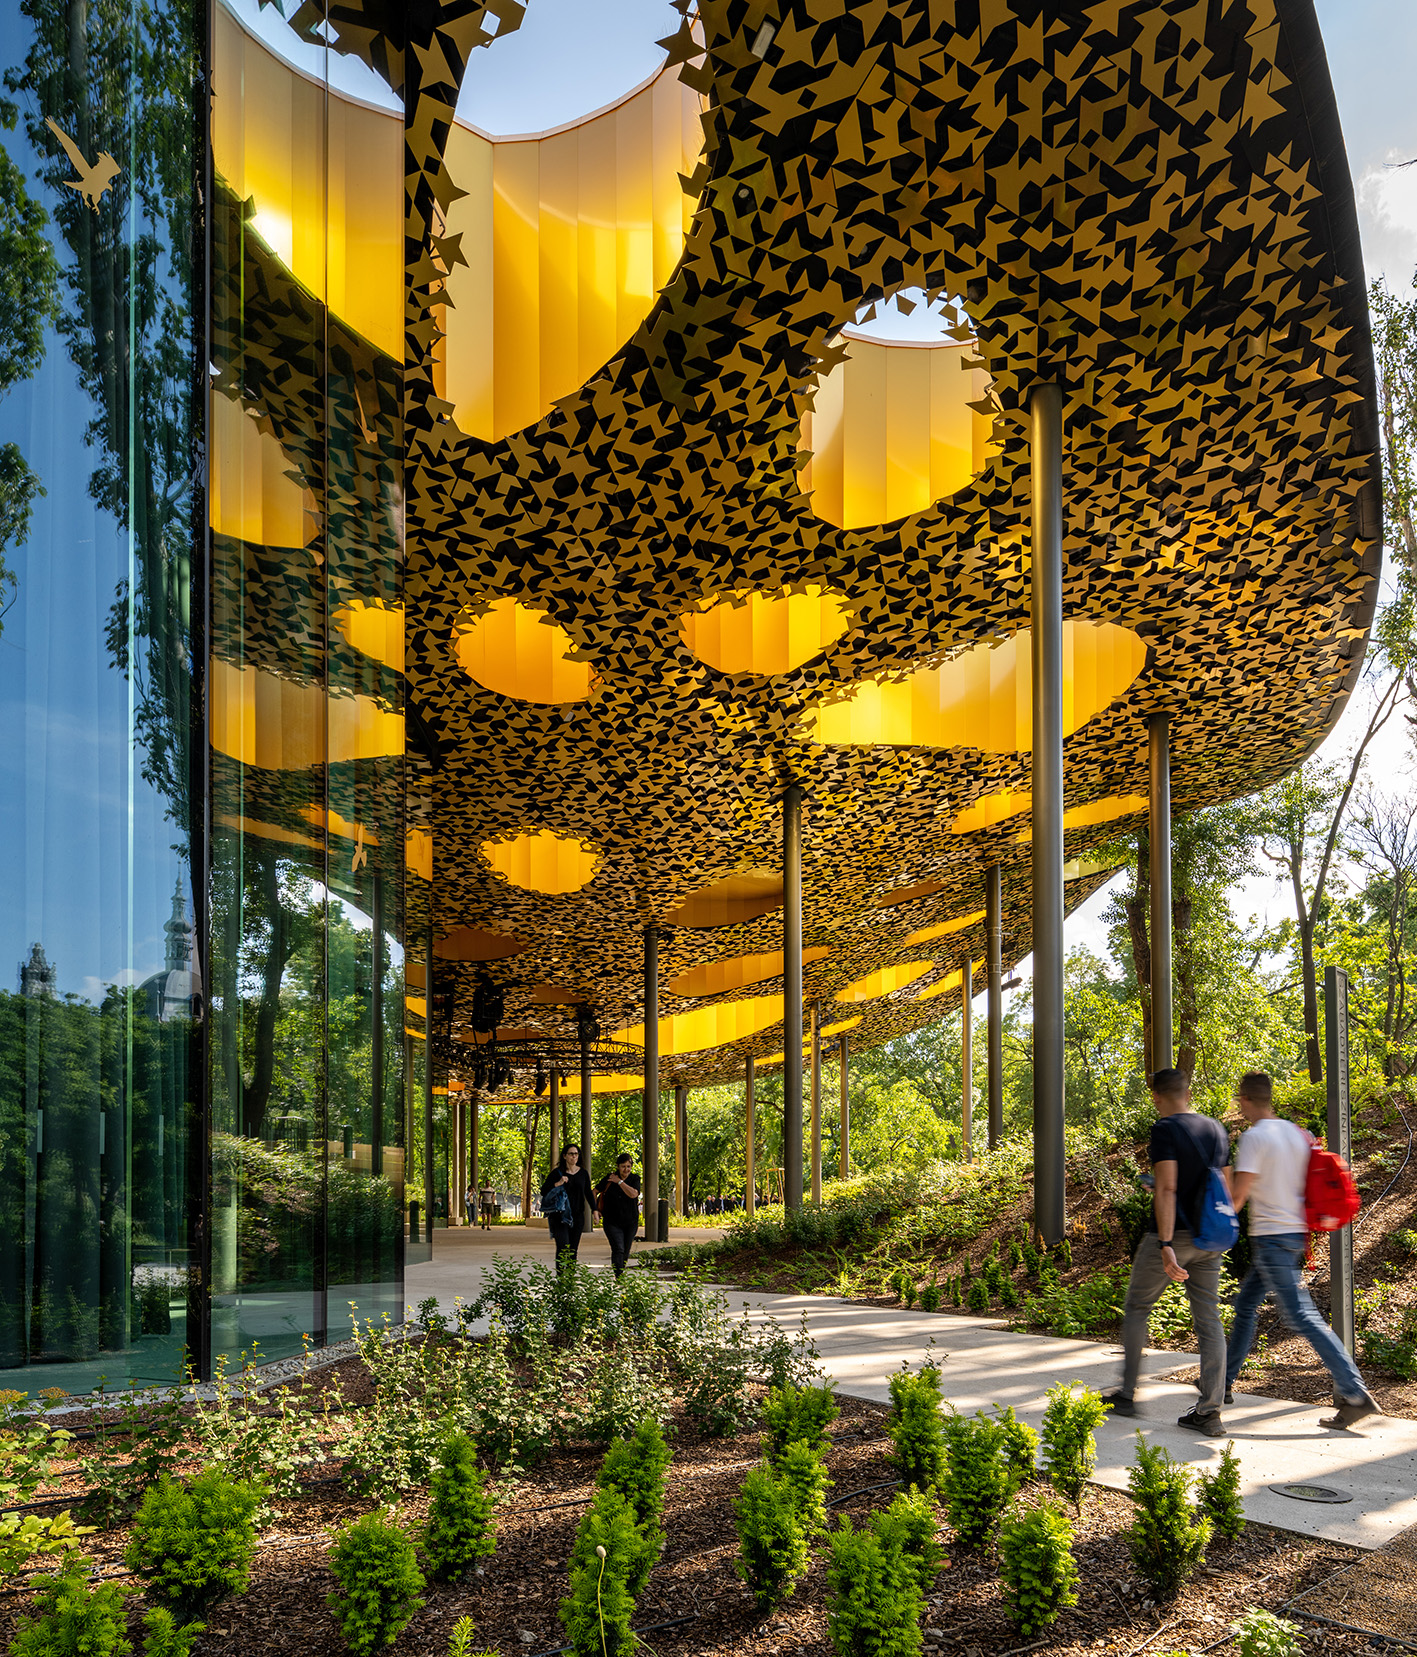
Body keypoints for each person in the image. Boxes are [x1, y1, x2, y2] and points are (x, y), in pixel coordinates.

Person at [1224, 1071, 1381, 1429]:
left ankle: (1356, 1394)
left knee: (1303, 1317)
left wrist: (1210, 1224)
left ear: (1245, 1099)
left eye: (1239, 1099)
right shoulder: (1295, 1133)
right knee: (1246, 1306)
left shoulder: (1254, 1137)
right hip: (1294, 1234)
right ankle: (1223, 1383)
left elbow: (1237, 1197)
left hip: (1271, 1238)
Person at [1103, 1067, 1231, 1435]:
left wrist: (1165, 1244)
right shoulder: (1216, 1128)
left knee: (1137, 1307)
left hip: (1175, 1236)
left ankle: (1126, 1395)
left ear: (1157, 1097)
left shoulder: (1164, 1130)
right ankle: (1210, 1411)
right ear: (1187, 1092)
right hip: (1209, 1239)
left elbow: (1168, 1189)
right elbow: (1226, 1184)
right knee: (1209, 1320)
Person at [542, 1143, 594, 1264]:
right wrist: (558, 1183)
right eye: (571, 1154)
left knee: (573, 1250)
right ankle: (561, 1280)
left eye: (576, 1154)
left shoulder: (583, 1174)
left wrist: (594, 1210)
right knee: (562, 1247)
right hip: (560, 1216)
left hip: (578, 1215)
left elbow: (588, 1193)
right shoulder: (557, 1173)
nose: (574, 1157)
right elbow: (544, 1190)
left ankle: (570, 1279)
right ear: (564, 1156)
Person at [595, 1153, 641, 1276]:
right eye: (623, 1166)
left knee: (625, 1251)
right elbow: (594, 1192)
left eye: (628, 1166)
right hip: (612, 1221)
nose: (626, 1170)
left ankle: (620, 1272)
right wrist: (595, 1210)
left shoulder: (634, 1179)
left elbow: (633, 1194)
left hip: (630, 1221)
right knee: (618, 1248)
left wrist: (620, 1182)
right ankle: (619, 1276)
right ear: (617, 1166)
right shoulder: (609, 1178)